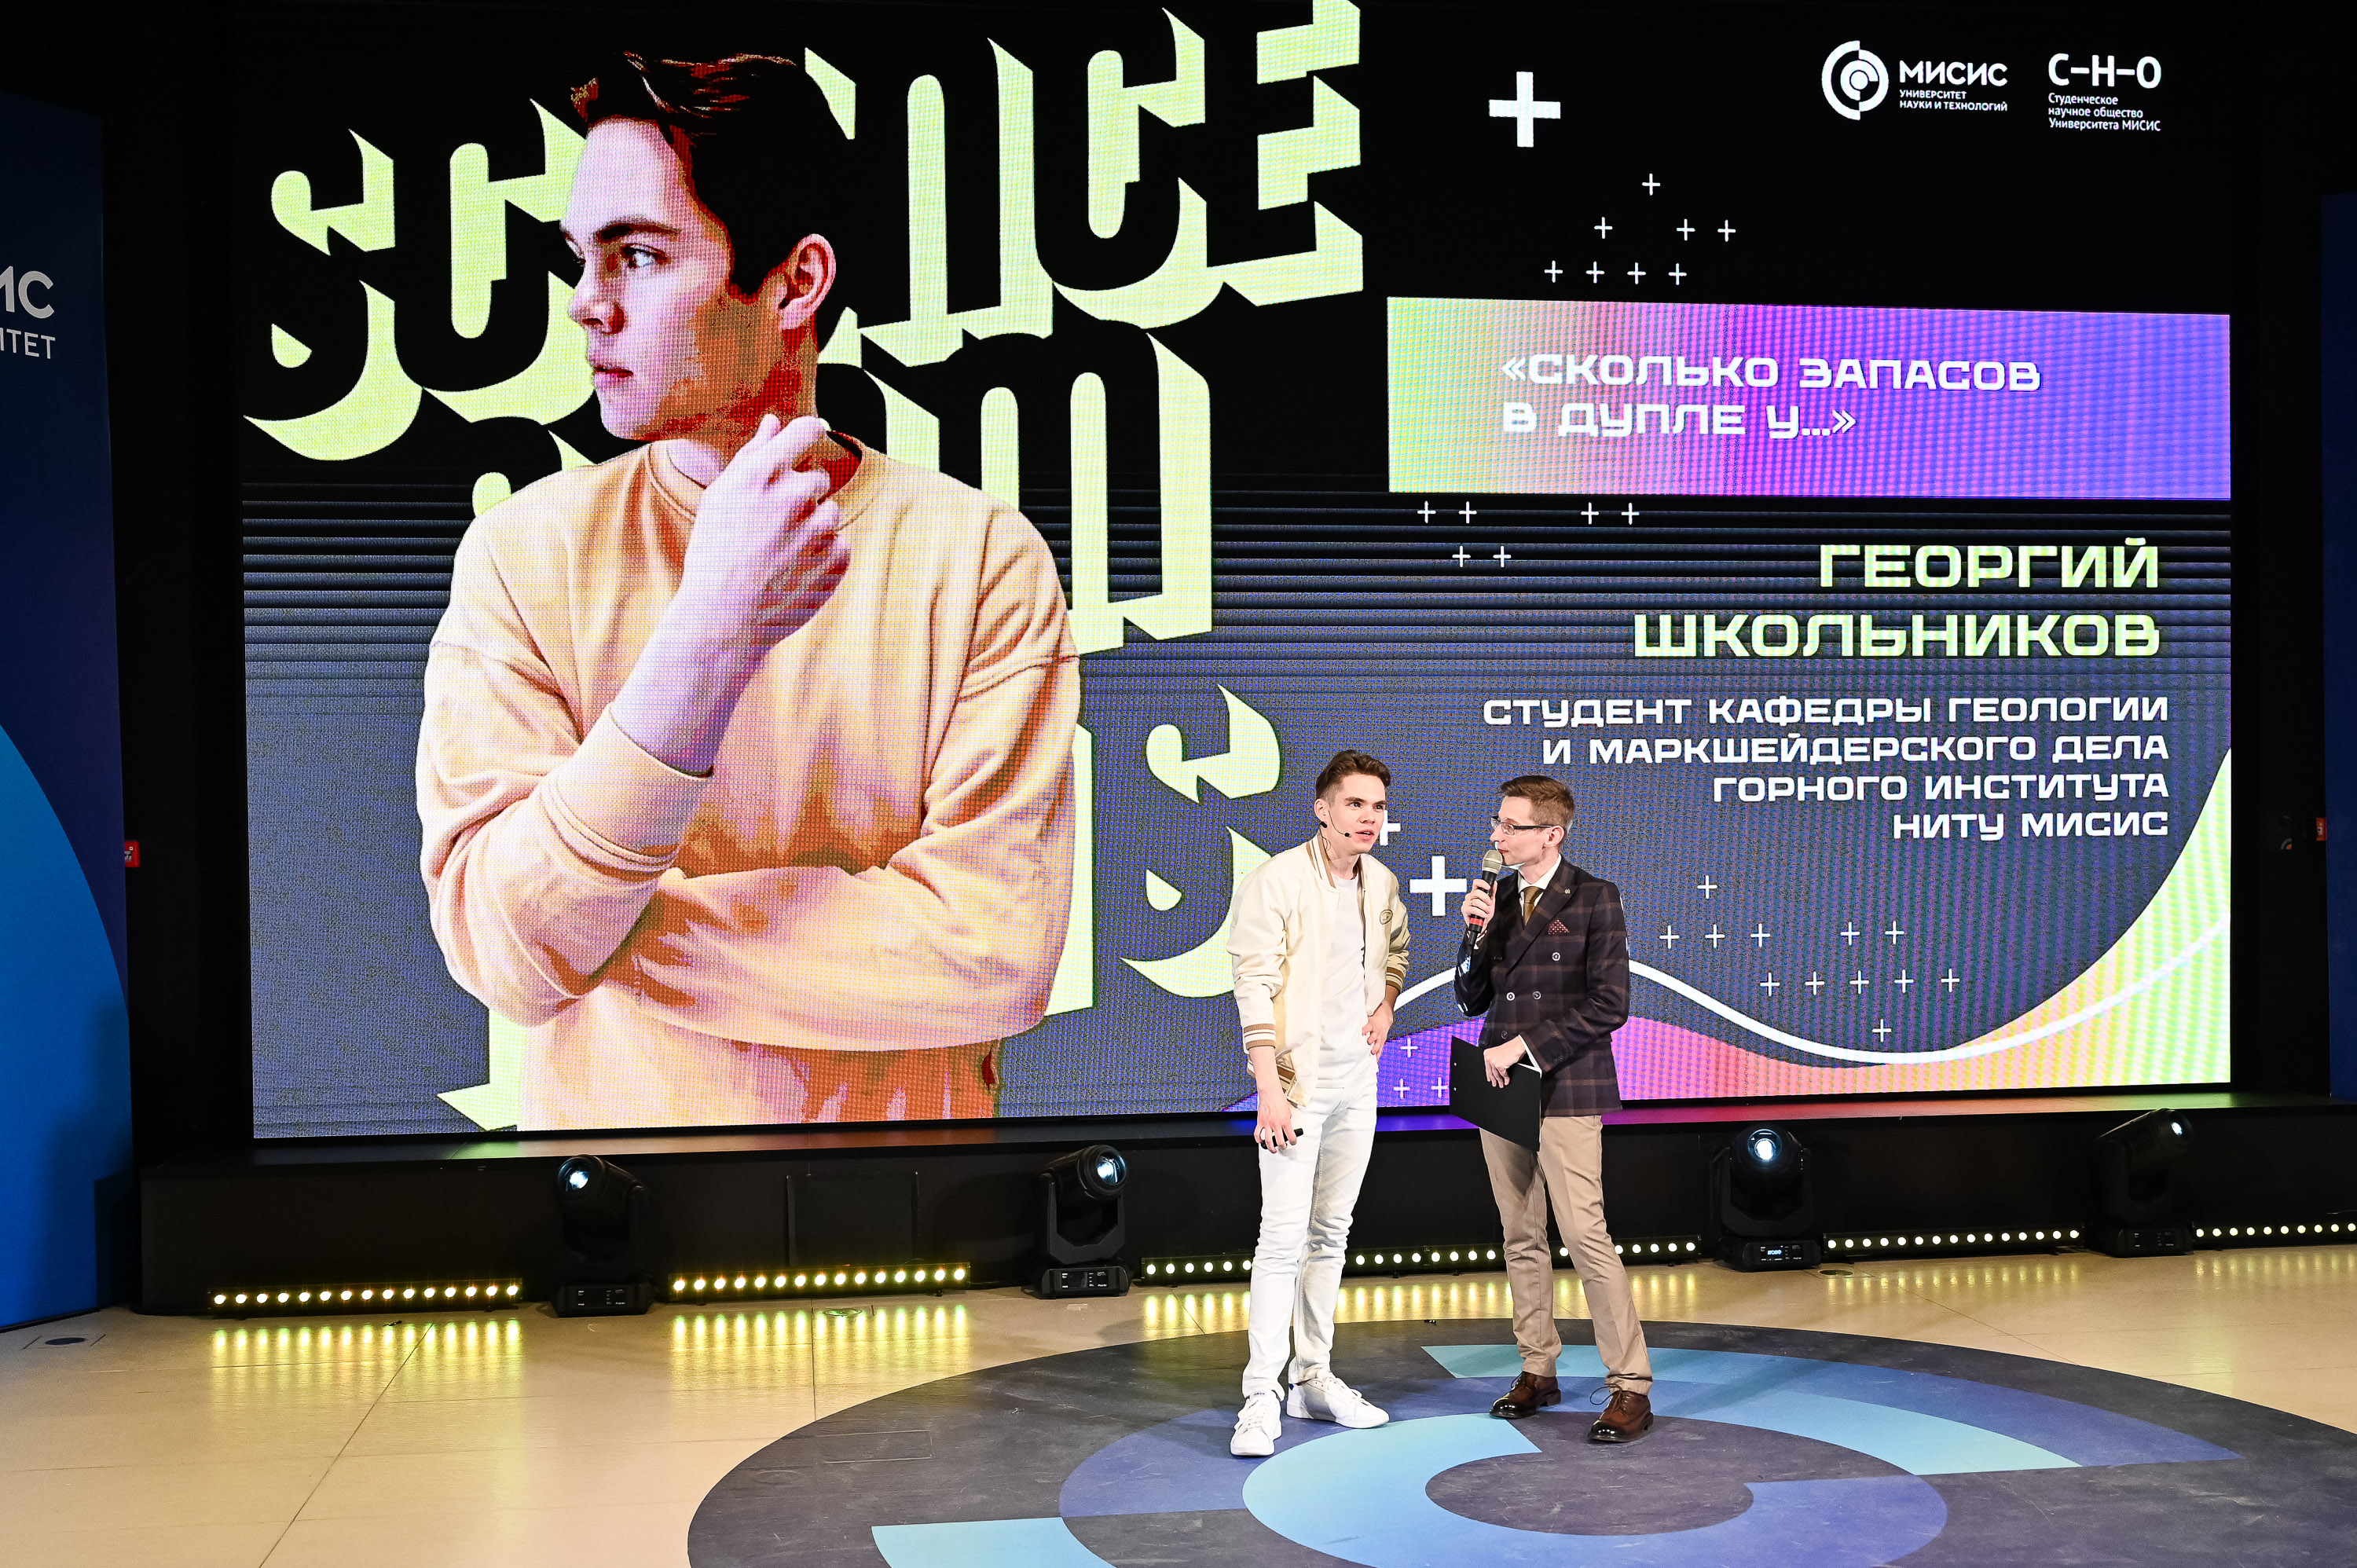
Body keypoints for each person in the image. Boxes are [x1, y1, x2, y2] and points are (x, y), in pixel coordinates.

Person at [416, 53, 1079, 1130]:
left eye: (638, 255)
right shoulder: (521, 556)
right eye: (582, 258)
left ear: (795, 283)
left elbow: (992, 952)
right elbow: (506, 955)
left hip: (909, 1216)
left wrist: (595, 929)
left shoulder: (981, 559)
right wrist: (710, 634)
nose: (586, 305)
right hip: (616, 1221)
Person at [1455, 775, 1653, 1442]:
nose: (1496, 836)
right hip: (1501, 1087)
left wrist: (1526, 1047)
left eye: (1509, 826)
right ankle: (1537, 1367)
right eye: (1497, 823)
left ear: (1551, 834)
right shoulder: (1499, 899)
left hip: (1566, 1085)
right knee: (1520, 1234)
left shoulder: (1595, 897)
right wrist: (1474, 935)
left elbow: (1610, 1004)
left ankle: (1631, 1385)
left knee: (1585, 1235)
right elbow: (1470, 999)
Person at [1222, 750, 1410, 1457]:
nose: (1369, 817)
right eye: (1355, 804)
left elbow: (1395, 952)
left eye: (1378, 806)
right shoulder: (1275, 880)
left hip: (1357, 1083)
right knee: (1281, 1239)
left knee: (1331, 1233)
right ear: (1323, 810)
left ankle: (1313, 1379)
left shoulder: (1381, 881)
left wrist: (1386, 1007)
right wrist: (1269, 1091)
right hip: (1295, 1088)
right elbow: (1253, 985)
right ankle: (1260, 1395)